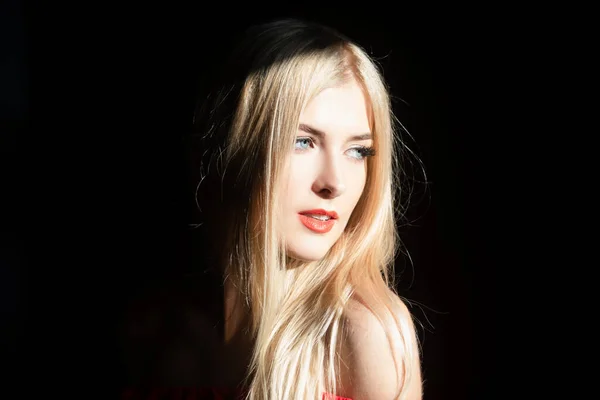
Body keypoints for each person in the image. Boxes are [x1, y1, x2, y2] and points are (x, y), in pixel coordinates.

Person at [122, 17, 423, 400]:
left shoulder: (363, 334)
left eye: (357, 151)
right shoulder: (163, 331)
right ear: (233, 148)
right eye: (302, 141)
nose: (335, 183)